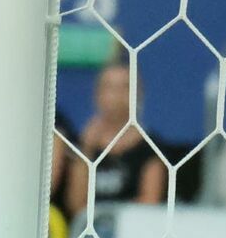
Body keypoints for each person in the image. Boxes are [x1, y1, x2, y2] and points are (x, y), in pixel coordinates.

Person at [67, 62, 166, 214]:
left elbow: (150, 203)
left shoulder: (150, 147)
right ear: (96, 94)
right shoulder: (85, 144)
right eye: (109, 87)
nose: (116, 94)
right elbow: (75, 204)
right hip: (89, 229)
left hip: (131, 230)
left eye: (125, 87)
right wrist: (86, 151)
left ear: (139, 94)